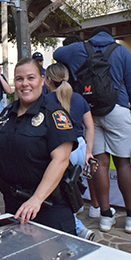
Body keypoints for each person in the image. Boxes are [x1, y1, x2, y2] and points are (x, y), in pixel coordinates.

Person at [53, 26, 131, 234]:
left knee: (99, 163)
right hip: (118, 111)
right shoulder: (122, 52)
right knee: (123, 163)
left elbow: (57, 54)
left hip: (90, 113)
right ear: (110, 37)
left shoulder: (79, 48)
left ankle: (105, 216)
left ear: (92, 36)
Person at [0, 58, 77, 233]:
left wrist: (37, 199)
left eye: (31, 78)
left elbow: (61, 160)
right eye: (19, 79)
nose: (25, 84)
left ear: (42, 80)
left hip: (48, 206)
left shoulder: (54, 114)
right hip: (14, 203)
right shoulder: (6, 113)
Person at [44, 62, 96, 240]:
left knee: (60, 195)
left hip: (61, 149)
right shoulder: (79, 99)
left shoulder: (45, 101)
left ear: (48, 80)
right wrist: (88, 151)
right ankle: (76, 217)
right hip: (80, 146)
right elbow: (90, 126)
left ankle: (77, 227)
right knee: (72, 188)